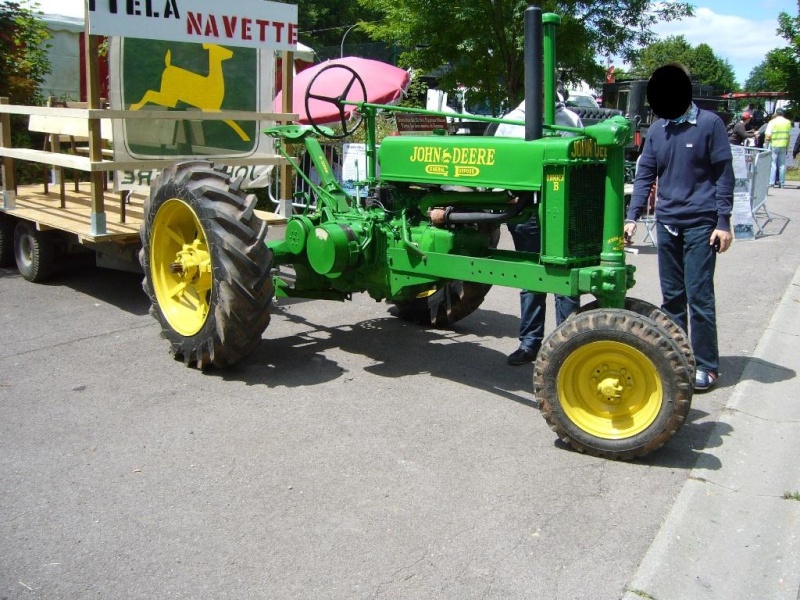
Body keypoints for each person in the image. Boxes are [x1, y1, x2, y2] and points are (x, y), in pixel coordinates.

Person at [623, 64, 733, 391]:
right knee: (671, 298)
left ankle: (708, 365)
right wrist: (633, 216)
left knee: (699, 296)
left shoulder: (710, 124)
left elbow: (724, 175)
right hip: (667, 222)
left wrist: (723, 221)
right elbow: (644, 177)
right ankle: (679, 358)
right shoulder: (658, 130)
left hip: (702, 222)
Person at [494, 91, 582, 365]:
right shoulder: (511, 121)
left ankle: (568, 346)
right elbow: (498, 160)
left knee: (565, 278)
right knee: (531, 278)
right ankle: (530, 343)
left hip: (562, 210)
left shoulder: (569, 119)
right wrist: (502, 193)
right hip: (526, 208)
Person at [765, 107, 792, 187]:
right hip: (783, 144)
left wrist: (766, 144)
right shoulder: (788, 122)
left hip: (774, 144)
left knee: (773, 164)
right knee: (782, 164)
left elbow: (768, 135)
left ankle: (771, 182)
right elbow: (789, 135)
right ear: (783, 114)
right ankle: (782, 183)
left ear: (776, 114)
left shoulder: (772, 122)